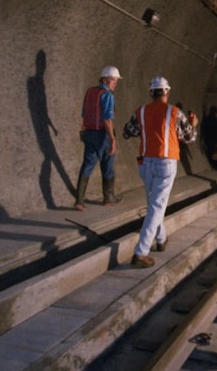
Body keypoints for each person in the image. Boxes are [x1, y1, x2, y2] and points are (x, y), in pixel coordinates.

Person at [123, 76, 198, 268]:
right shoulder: (174, 112)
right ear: (167, 92)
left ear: (150, 93)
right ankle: (141, 252)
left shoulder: (140, 112)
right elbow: (190, 137)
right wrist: (194, 123)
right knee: (156, 206)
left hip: (145, 163)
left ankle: (161, 237)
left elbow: (127, 131)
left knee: (153, 204)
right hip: (166, 162)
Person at [74, 65, 122, 210]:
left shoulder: (90, 92)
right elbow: (107, 119)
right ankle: (108, 198)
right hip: (102, 135)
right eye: (114, 81)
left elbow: (84, 113)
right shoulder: (107, 95)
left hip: (88, 133)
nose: (116, 84)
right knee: (107, 165)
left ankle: (79, 200)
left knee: (87, 165)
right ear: (106, 80)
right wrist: (112, 139)